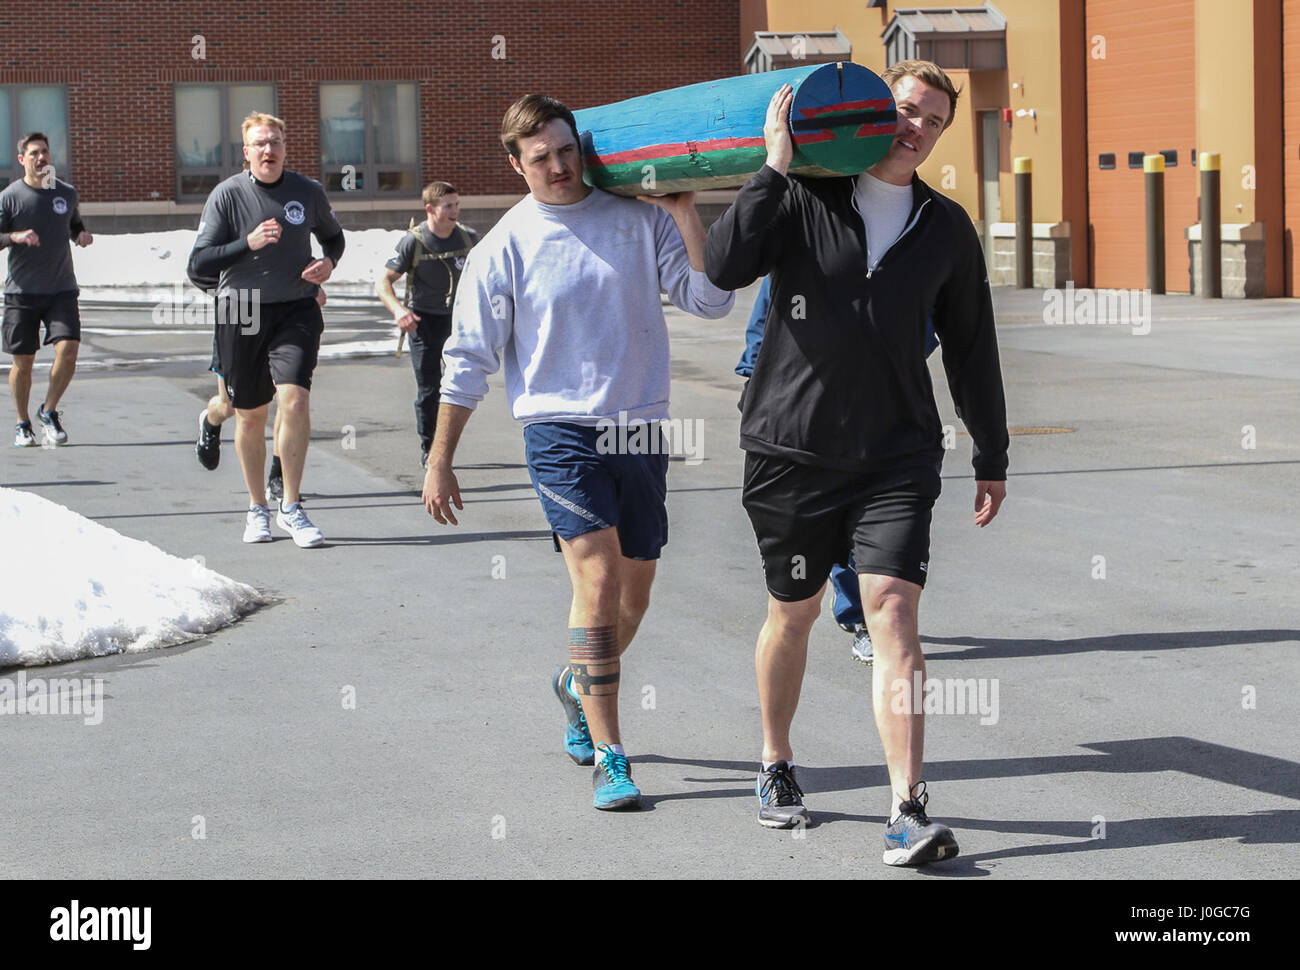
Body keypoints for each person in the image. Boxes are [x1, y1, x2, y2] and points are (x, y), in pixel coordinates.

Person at [704, 60, 1009, 865]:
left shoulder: (945, 228)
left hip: (895, 455)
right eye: (907, 110)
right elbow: (724, 266)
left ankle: (906, 807)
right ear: (876, 112)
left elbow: (973, 347)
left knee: (896, 615)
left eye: (933, 120)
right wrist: (774, 163)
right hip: (791, 448)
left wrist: (991, 449)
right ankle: (775, 761)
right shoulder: (807, 195)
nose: (916, 128)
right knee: (794, 614)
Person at [422, 94, 733, 812]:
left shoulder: (638, 217)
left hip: (639, 426)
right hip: (558, 429)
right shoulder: (504, 245)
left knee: (637, 588)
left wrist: (685, 210)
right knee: (594, 581)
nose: (559, 167)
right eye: (541, 158)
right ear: (516, 164)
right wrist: (441, 456)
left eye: (566, 151)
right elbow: (467, 358)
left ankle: (574, 684)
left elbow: (710, 302)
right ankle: (613, 756)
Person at [739, 275, 942, 666]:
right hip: (803, 413)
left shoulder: (912, 238)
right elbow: (772, 304)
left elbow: (930, 319)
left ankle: (865, 617)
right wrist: (754, 374)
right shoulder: (803, 231)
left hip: (882, 412)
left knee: (873, 526)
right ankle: (853, 604)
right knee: (827, 526)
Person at [187, 112, 344, 547]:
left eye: (275, 141)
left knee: (293, 401)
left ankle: (291, 506)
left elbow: (334, 237)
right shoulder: (227, 196)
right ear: (246, 152)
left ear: (285, 147)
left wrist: (328, 263)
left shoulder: (306, 192)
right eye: (260, 143)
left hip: (296, 307)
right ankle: (257, 508)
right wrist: (248, 243)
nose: (269, 150)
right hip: (242, 310)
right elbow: (198, 264)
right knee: (250, 415)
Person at [375, 181, 478, 469]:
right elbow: (382, 281)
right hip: (423, 321)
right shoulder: (414, 241)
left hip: (458, 320)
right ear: (430, 209)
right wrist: (399, 310)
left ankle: (447, 443)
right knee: (429, 387)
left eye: (457, 204)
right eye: (448, 206)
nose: (455, 211)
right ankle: (429, 446)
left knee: (460, 384)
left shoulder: (468, 239)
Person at [1, 132, 92, 447]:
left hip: (61, 289)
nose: (41, 158)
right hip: (21, 293)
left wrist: (80, 235)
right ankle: (22, 422)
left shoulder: (65, 193)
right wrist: (14, 237)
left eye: (45, 152)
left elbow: (73, 223)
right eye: (34, 153)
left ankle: (49, 410)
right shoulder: (10, 197)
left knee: (68, 350)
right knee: (23, 362)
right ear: (22, 159)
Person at [195, 287, 328, 500]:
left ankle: (278, 477)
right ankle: (211, 421)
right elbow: (206, 267)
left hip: (285, 314)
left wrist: (311, 286)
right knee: (230, 405)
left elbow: (297, 261)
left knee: (289, 397)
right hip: (240, 312)